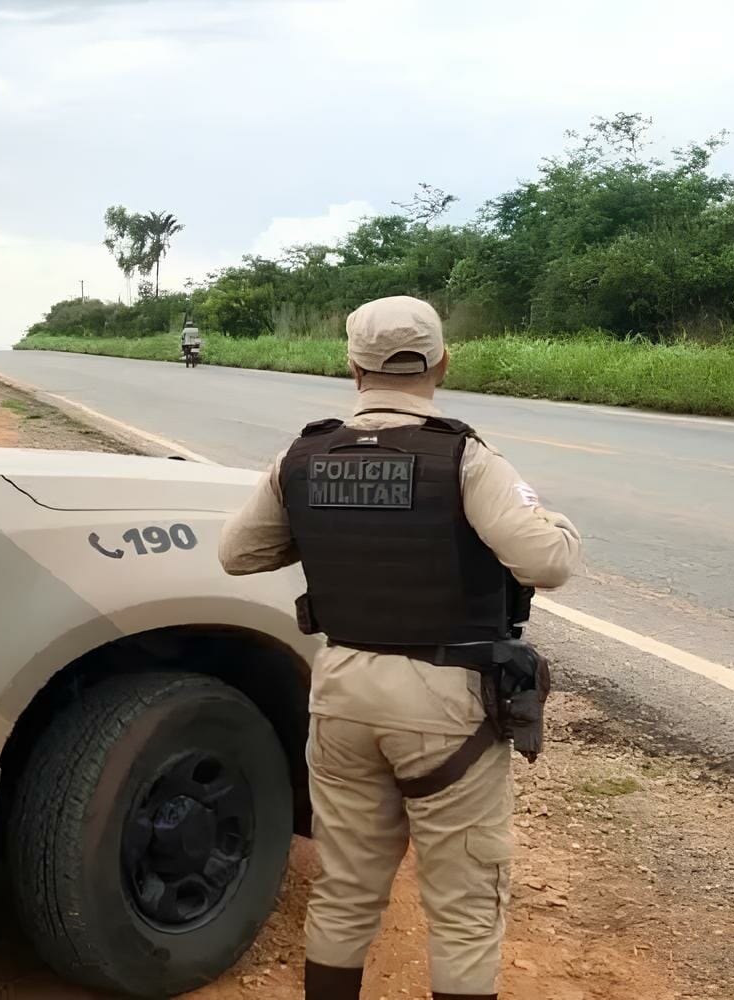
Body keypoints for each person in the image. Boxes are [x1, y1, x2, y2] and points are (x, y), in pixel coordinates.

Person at [218, 295, 581, 1000]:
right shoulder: (465, 456)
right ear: (442, 362)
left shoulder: (303, 454)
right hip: (446, 701)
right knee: (465, 907)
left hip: (343, 688)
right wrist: (555, 521)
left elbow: (238, 554)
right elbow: (547, 562)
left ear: (353, 367)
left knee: (346, 888)